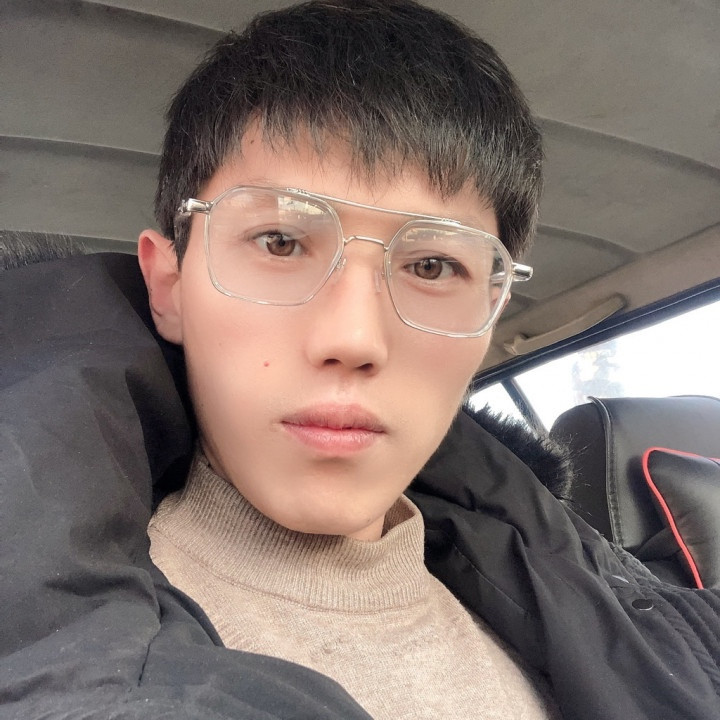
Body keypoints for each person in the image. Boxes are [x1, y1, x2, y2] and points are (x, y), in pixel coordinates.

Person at [1, 2, 719, 719]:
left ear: (491, 312)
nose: (354, 339)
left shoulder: (668, 642)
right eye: (280, 242)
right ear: (169, 288)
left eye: (433, 265)